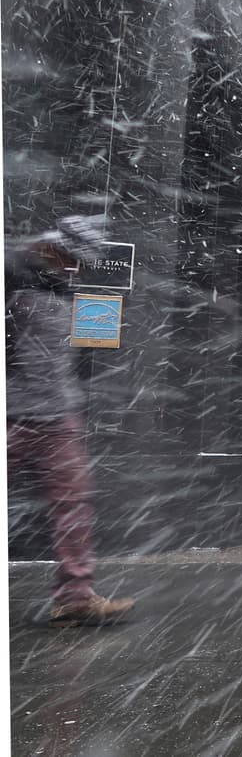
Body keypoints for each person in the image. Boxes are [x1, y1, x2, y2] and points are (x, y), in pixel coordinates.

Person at [6, 213, 135, 627]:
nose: (76, 268)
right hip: (10, 415)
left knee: (73, 507)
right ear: (53, 247)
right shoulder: (11, 276)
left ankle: (75, 597)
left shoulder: (61, 286)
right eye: (71, 258)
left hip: (58, 418)